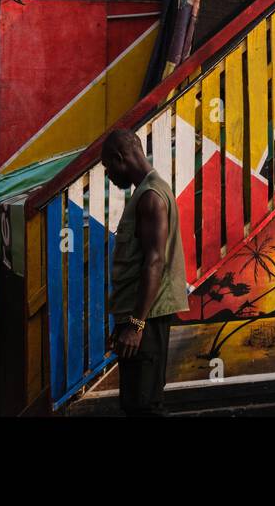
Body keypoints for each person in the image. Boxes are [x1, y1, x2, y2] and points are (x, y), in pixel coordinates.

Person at [102, 128, 188, 416]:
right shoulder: (146, 193)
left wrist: (136, 325)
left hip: (146, 321)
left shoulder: (151, 197)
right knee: (137, 403)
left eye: (108, 167)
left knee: (144, 406)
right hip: (139, 319)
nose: (109, 175)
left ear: (119, 158)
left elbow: (154, 261)